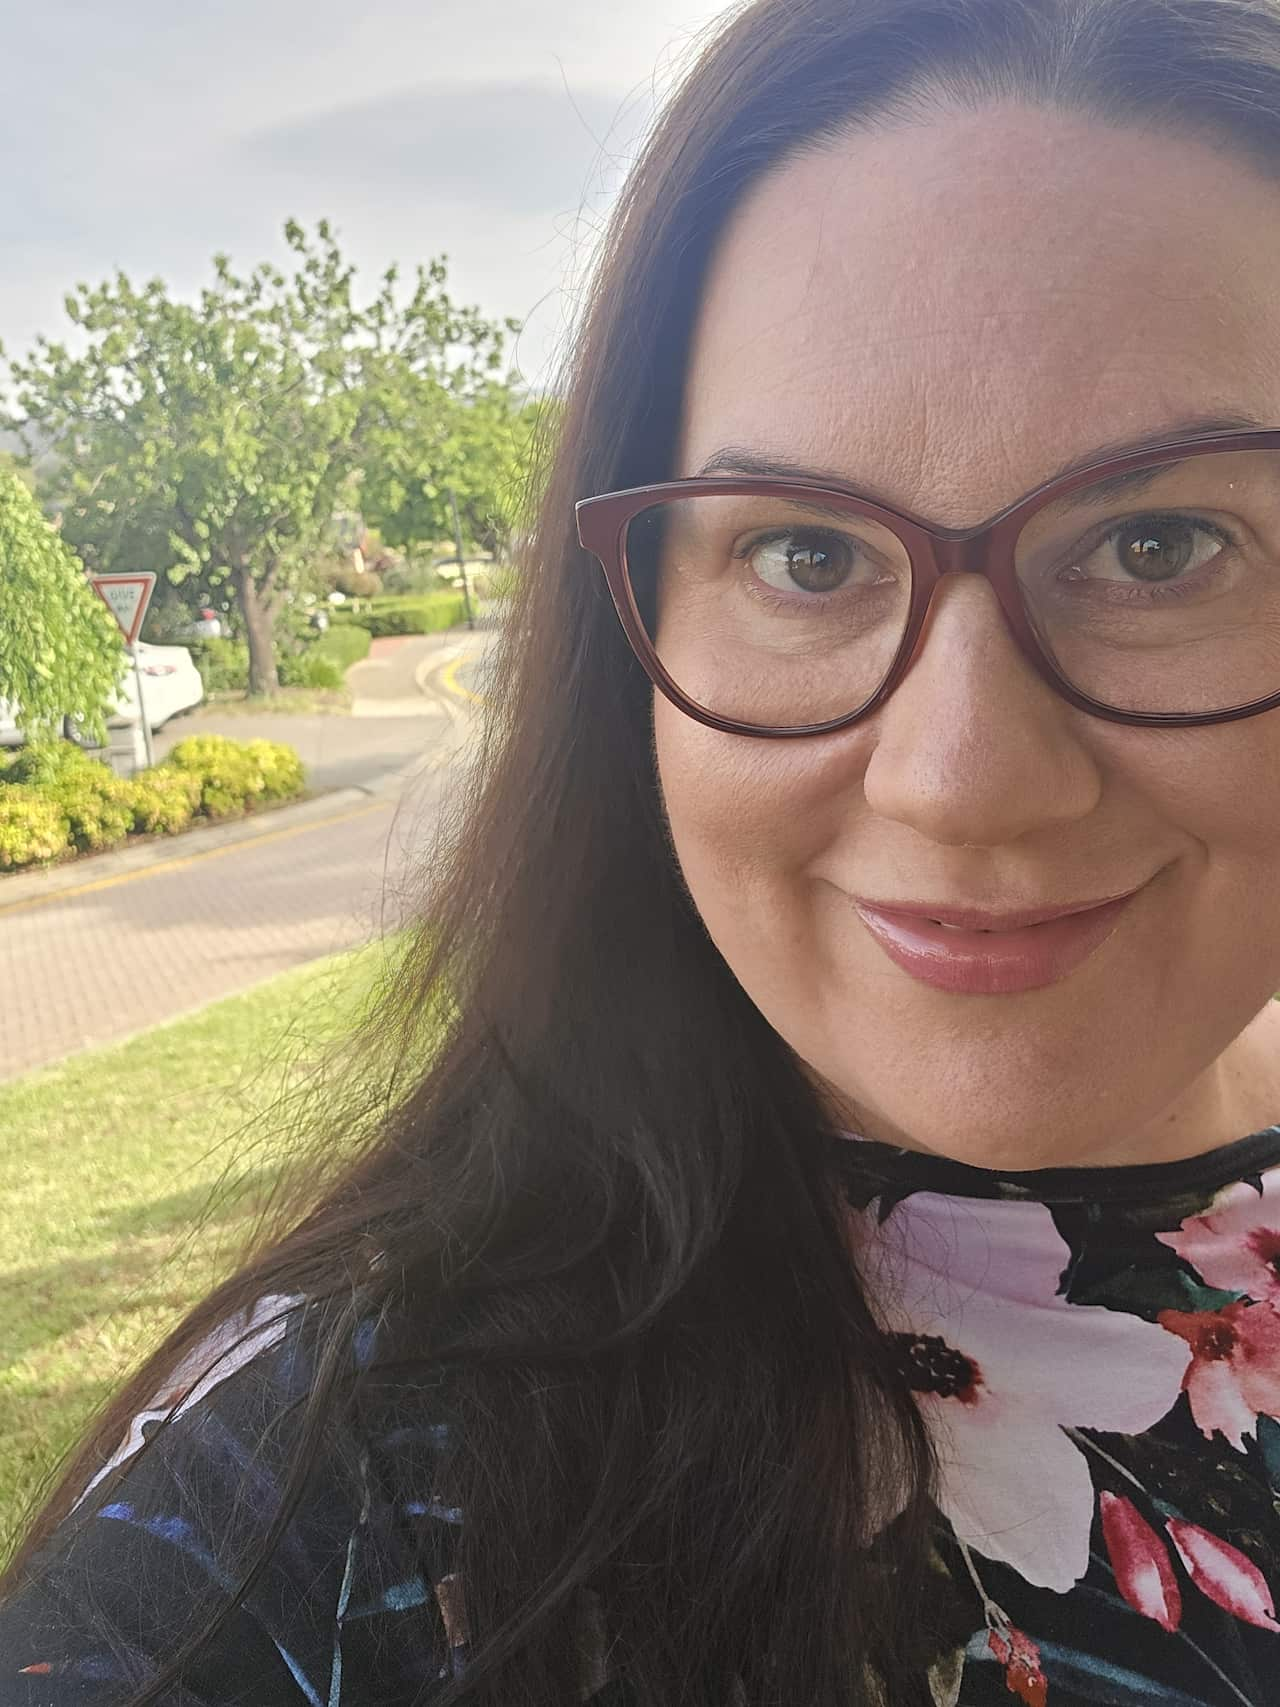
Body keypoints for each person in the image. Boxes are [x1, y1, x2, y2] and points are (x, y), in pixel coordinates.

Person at [10, 0, 1280, 1699]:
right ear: (635, 641)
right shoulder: (320, 1517)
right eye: (809, 557)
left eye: (1158, 539)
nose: (968, 780)